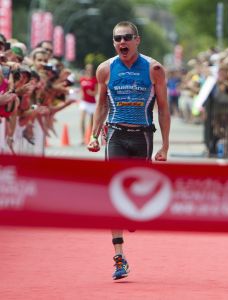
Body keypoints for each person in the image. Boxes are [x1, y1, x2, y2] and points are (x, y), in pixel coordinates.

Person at [87, 21, 170, 280]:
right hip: (115, 135)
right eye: (117, 38)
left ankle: (133, 212)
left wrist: (166, 145)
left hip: (143, 136)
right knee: (114, 195)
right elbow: (100, 105)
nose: (122, 42)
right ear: (113, 42)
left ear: (137, 40)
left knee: (135, 196)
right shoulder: (105, 69)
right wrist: (93, 134)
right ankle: (119, 258)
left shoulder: (154, 69)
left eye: (127, 37)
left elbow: (164, 108)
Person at [79, 63, 98, 144]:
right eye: (87, 68)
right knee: (82, 119)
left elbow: (96, 92)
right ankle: (82, 138)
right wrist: (81, 95)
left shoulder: (94, 79)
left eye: (90, 69)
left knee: (91, 122)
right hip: (84, 102)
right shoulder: (82, 79)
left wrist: (91, 93)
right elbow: (81, 89)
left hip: (92, 102)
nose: (89, 70)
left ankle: (90, 137)